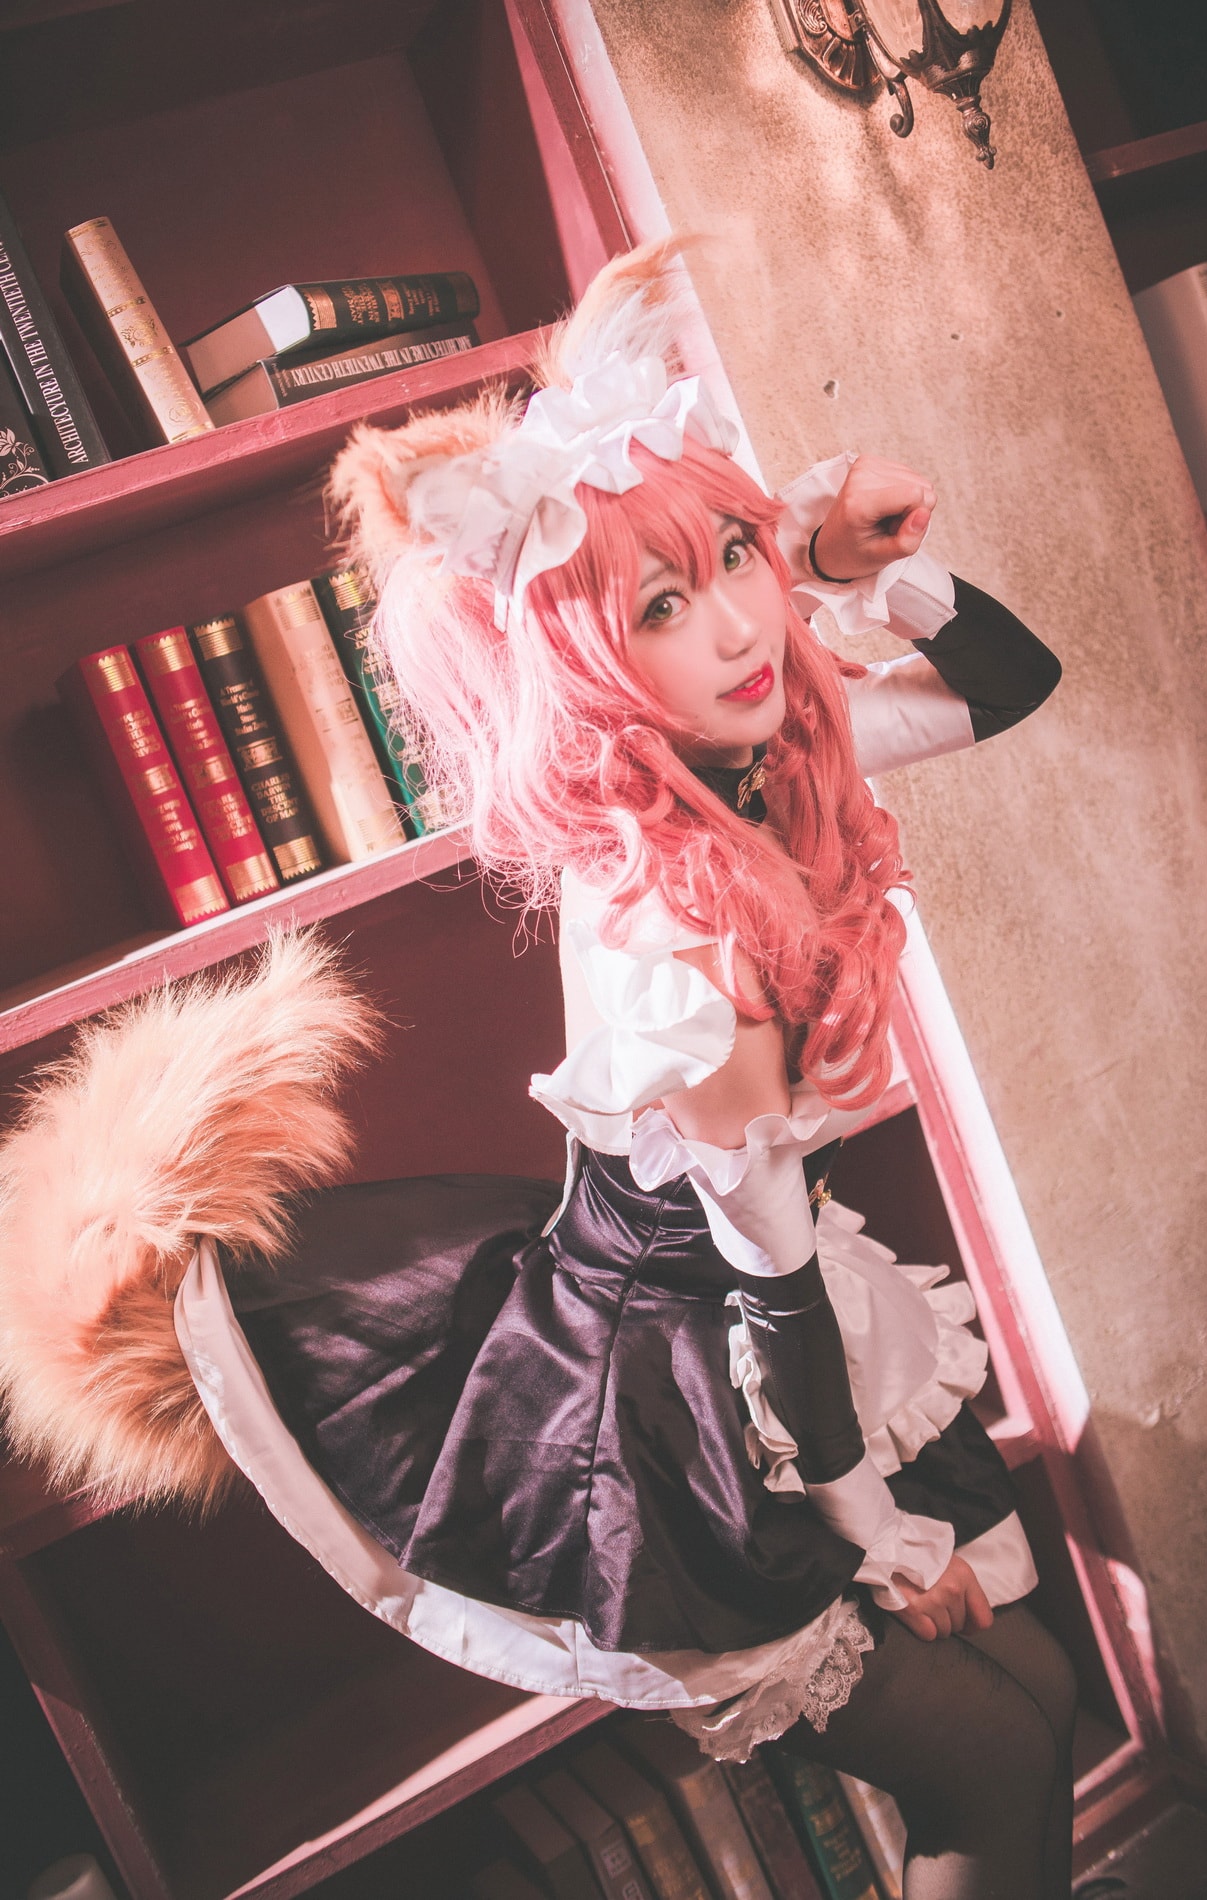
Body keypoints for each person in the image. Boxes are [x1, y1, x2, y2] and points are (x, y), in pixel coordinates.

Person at [0, 246, 1073, 1899]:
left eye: (732, 563)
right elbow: (773, 1292)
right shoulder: (675, 935)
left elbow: (1013, 682)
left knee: (1036, 1699)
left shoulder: (751, 754)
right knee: (994, 1754)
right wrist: (883, 1537)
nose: (740, 630)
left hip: (754, 1328)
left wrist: (833, 559)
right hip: (683, 1400)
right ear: (588, 675)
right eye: (663, 608)